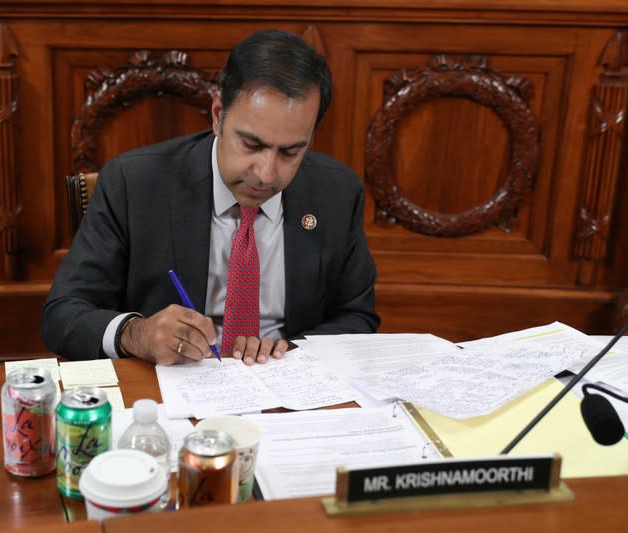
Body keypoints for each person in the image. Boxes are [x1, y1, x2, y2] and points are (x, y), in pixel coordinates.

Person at [42, 29, 379, 366]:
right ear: (218, 114)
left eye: (290, 152)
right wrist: (137, 334)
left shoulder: (337, 192)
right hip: (172, 389)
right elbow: (62, 315)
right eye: (251, 144)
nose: (266, 173)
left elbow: (356, 318)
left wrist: (293, 353)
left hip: (284, 393)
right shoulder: (135, 183)